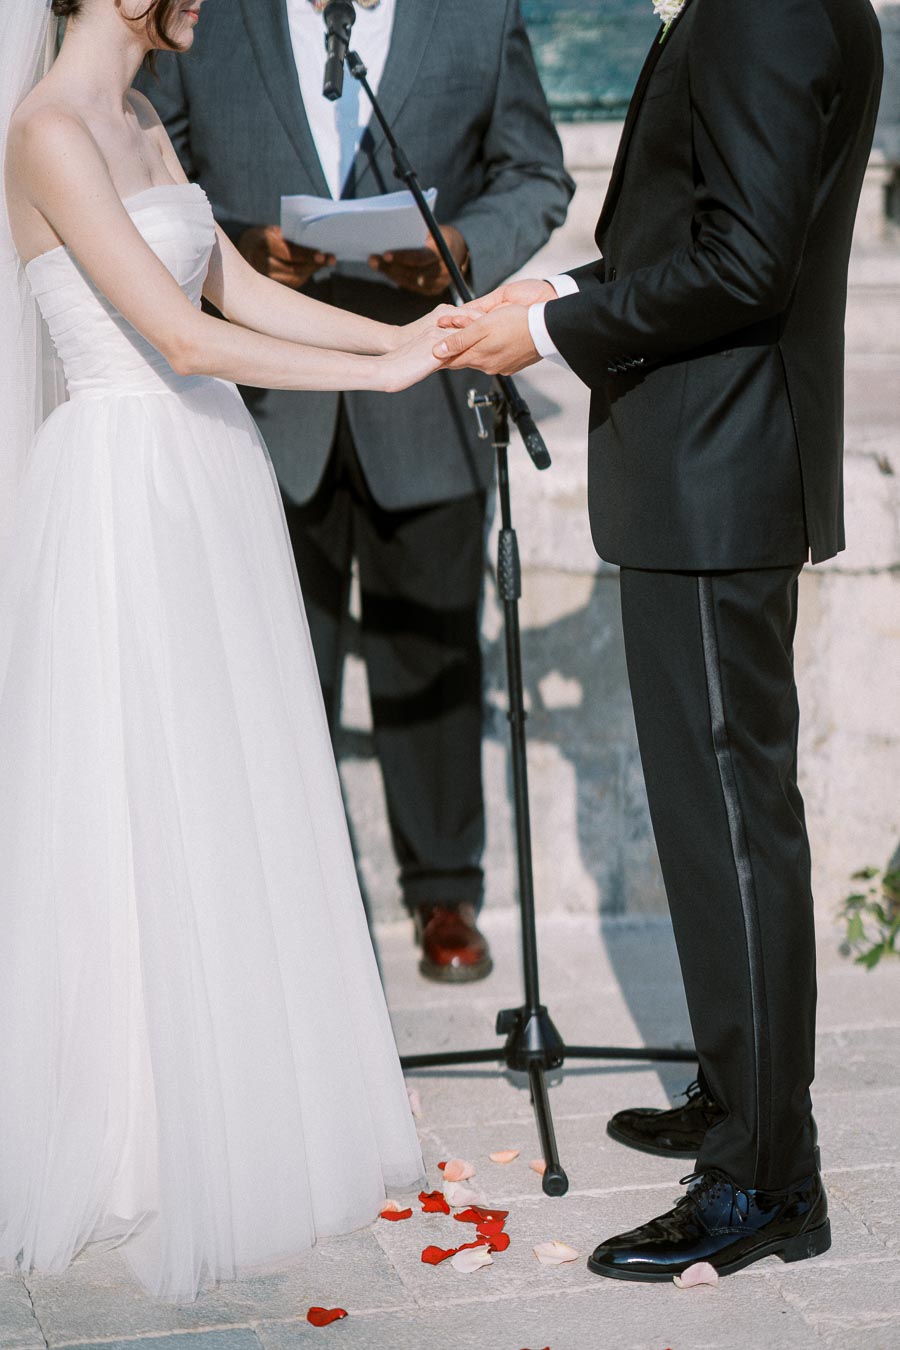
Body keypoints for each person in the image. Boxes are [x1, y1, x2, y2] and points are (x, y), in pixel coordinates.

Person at [0, 0, 449, 1303]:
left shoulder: (141, 116)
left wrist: (410, 339)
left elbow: (232, 284)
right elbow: (180, 338)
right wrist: (374, 380)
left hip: (208, 471)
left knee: (221, 788)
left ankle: (233, 1088)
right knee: (130, 798)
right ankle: (134, 1116)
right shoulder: (48, 132)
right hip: (128, 481)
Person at [434, 0, 883, 1281]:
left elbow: (745, 265)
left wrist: (551, 334)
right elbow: (703, 229)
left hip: (714, 474)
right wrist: (557, 291)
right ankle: (740, 1096)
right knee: (719, 825)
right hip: (711, 470)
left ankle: (762, 1181)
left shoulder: (763, 12)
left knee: (735, 831)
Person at [139, 0, 574, 983]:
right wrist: (236, 249)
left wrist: (461, 249)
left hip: (424, 384)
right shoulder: (207, 17)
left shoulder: (477, 15)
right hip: (256, 392)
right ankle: (285, 901)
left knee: (431, 650)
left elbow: (536, 171)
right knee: (268, 666)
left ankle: (444, 895)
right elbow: (149, 152)